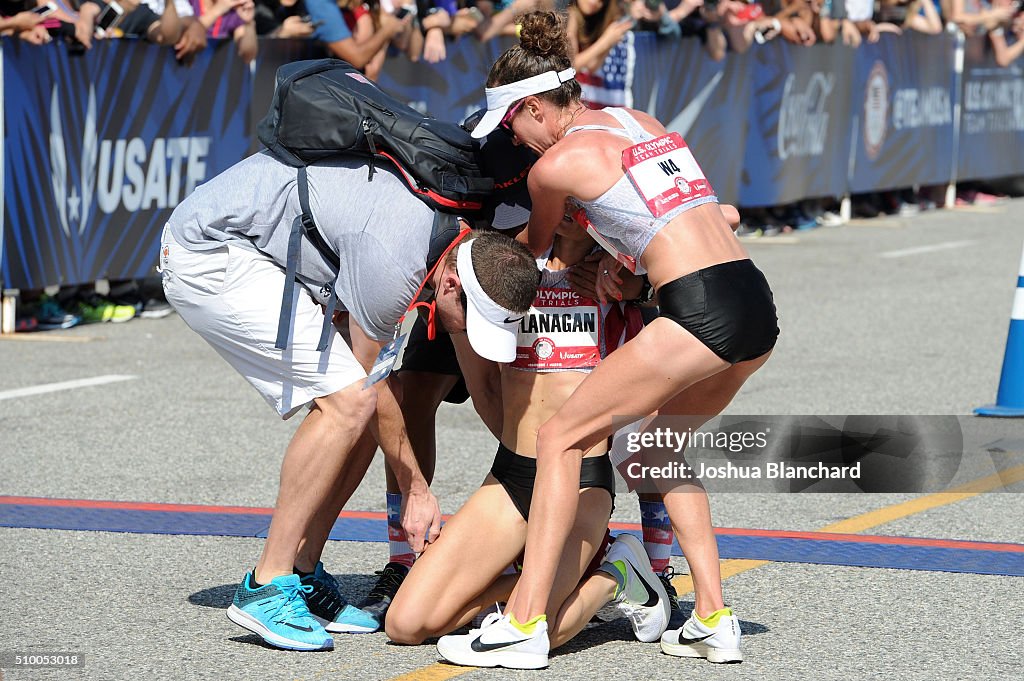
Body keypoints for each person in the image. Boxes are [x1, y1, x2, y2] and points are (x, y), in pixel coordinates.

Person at [453, 10, 778, 668]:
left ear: (536, 108)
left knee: (559, 436)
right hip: (753, 300)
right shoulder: (641, 121)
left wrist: (466, 261)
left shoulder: (555, 167)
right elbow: (722, 215)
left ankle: (523, 623)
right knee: (654, 451)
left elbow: (531, 255)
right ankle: (714, 618)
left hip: (699, 309)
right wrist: (625, 266)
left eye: (513, 126)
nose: (515, 144)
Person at [160, 141, 541, 651]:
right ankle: (267, 583)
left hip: (268, 250)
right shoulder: (397, 263)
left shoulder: (451, 246)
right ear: (450, 284)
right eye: (472, 319)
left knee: (364, 408)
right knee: (350, 401)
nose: (472, 334)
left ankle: (302, 566)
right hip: (210, 249)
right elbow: (370, 380)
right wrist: (416, 490)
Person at [385, 214, 671, 669]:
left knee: (542, 633)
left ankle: (617, 574)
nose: (574, 210)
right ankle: (520, 585)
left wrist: (640, 289)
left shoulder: (622, 275)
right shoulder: (506, 269)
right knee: (406, 623)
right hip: (513, 475)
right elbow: (486, 390)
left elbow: (702, 275)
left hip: (581, 483)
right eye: (563, 201)